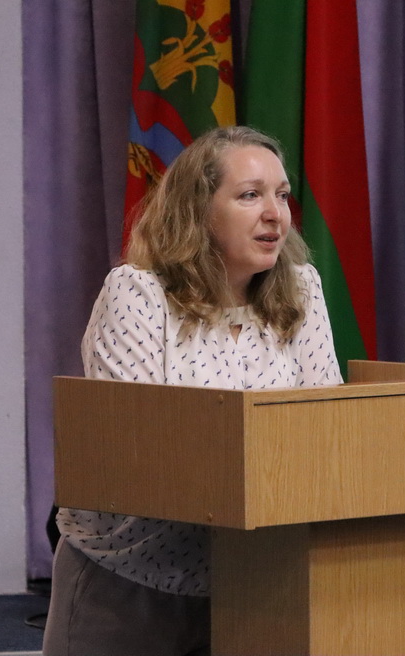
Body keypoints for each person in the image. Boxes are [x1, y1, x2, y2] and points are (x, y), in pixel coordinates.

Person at [42, 126, 343, 656]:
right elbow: (139, 449)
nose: (275, 214)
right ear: (198, 210)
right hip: (130, 577)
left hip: (258, 580)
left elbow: (329, 431)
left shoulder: (303, 290)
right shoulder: (137, 294)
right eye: (250, 195)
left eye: (281, 195)